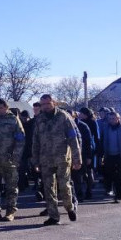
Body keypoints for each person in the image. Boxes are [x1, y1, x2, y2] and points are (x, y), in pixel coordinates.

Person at [31, 94, 82, 225]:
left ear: (53, 103)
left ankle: (69, 207)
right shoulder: (39, 119)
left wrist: (77, 158)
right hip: (45, 159)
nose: (45, 107)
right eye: (43, 104)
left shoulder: (63, 117)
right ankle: (54, 216)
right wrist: (35, 161)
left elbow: (73, 138)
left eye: (48, 104)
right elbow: (35, 141)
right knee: (48, 188)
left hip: (62, 158)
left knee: (64, 185)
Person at [100, 111, 121, 203]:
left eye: (114, 118)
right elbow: (101, 142)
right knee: (109, 175)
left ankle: (119, 195)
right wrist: (101, 155)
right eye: (110, 119)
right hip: (109, 155)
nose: (112, 120)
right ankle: (109, 189)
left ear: (118, 119)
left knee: (120, 176)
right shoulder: (105, 129)